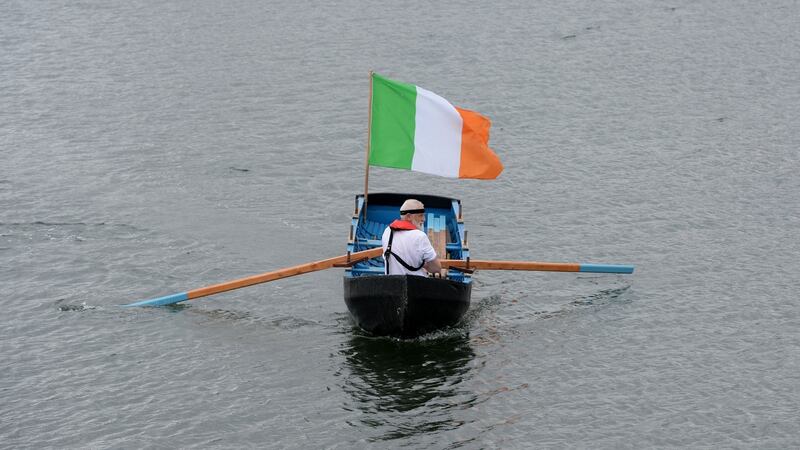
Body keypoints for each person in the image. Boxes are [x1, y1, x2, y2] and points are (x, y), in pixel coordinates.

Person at [381, 199, 442, 276]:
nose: (424, 219)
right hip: (415, 285)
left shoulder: (387, 231)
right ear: (409, 216)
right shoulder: (420, 236)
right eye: (420, 215)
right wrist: (424, 265)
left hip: (393, 284)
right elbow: (436, 268)